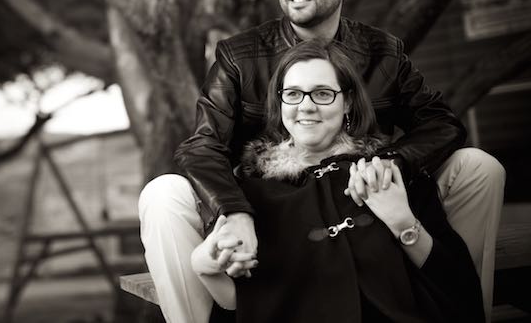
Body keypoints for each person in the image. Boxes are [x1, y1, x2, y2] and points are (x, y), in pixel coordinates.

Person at [139, 0, 505, 323]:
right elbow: (203, 145)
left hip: (365, 199)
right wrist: (235, 211)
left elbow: (442, 123)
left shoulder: (383, 52)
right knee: (162, 194)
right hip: (272, 210)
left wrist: (388, 166)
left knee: (479, 168)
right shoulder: (239, 56)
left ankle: (459, 310)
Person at [189, 40, 484, 323]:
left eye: (322, 93)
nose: (306, 106)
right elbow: (244, 307)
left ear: (347, 102)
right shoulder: (252, 196)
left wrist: (402, 222)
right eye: (293, 94)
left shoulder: (393, 174)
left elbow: (458, 287)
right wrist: (203, 266)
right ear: (280, 103)